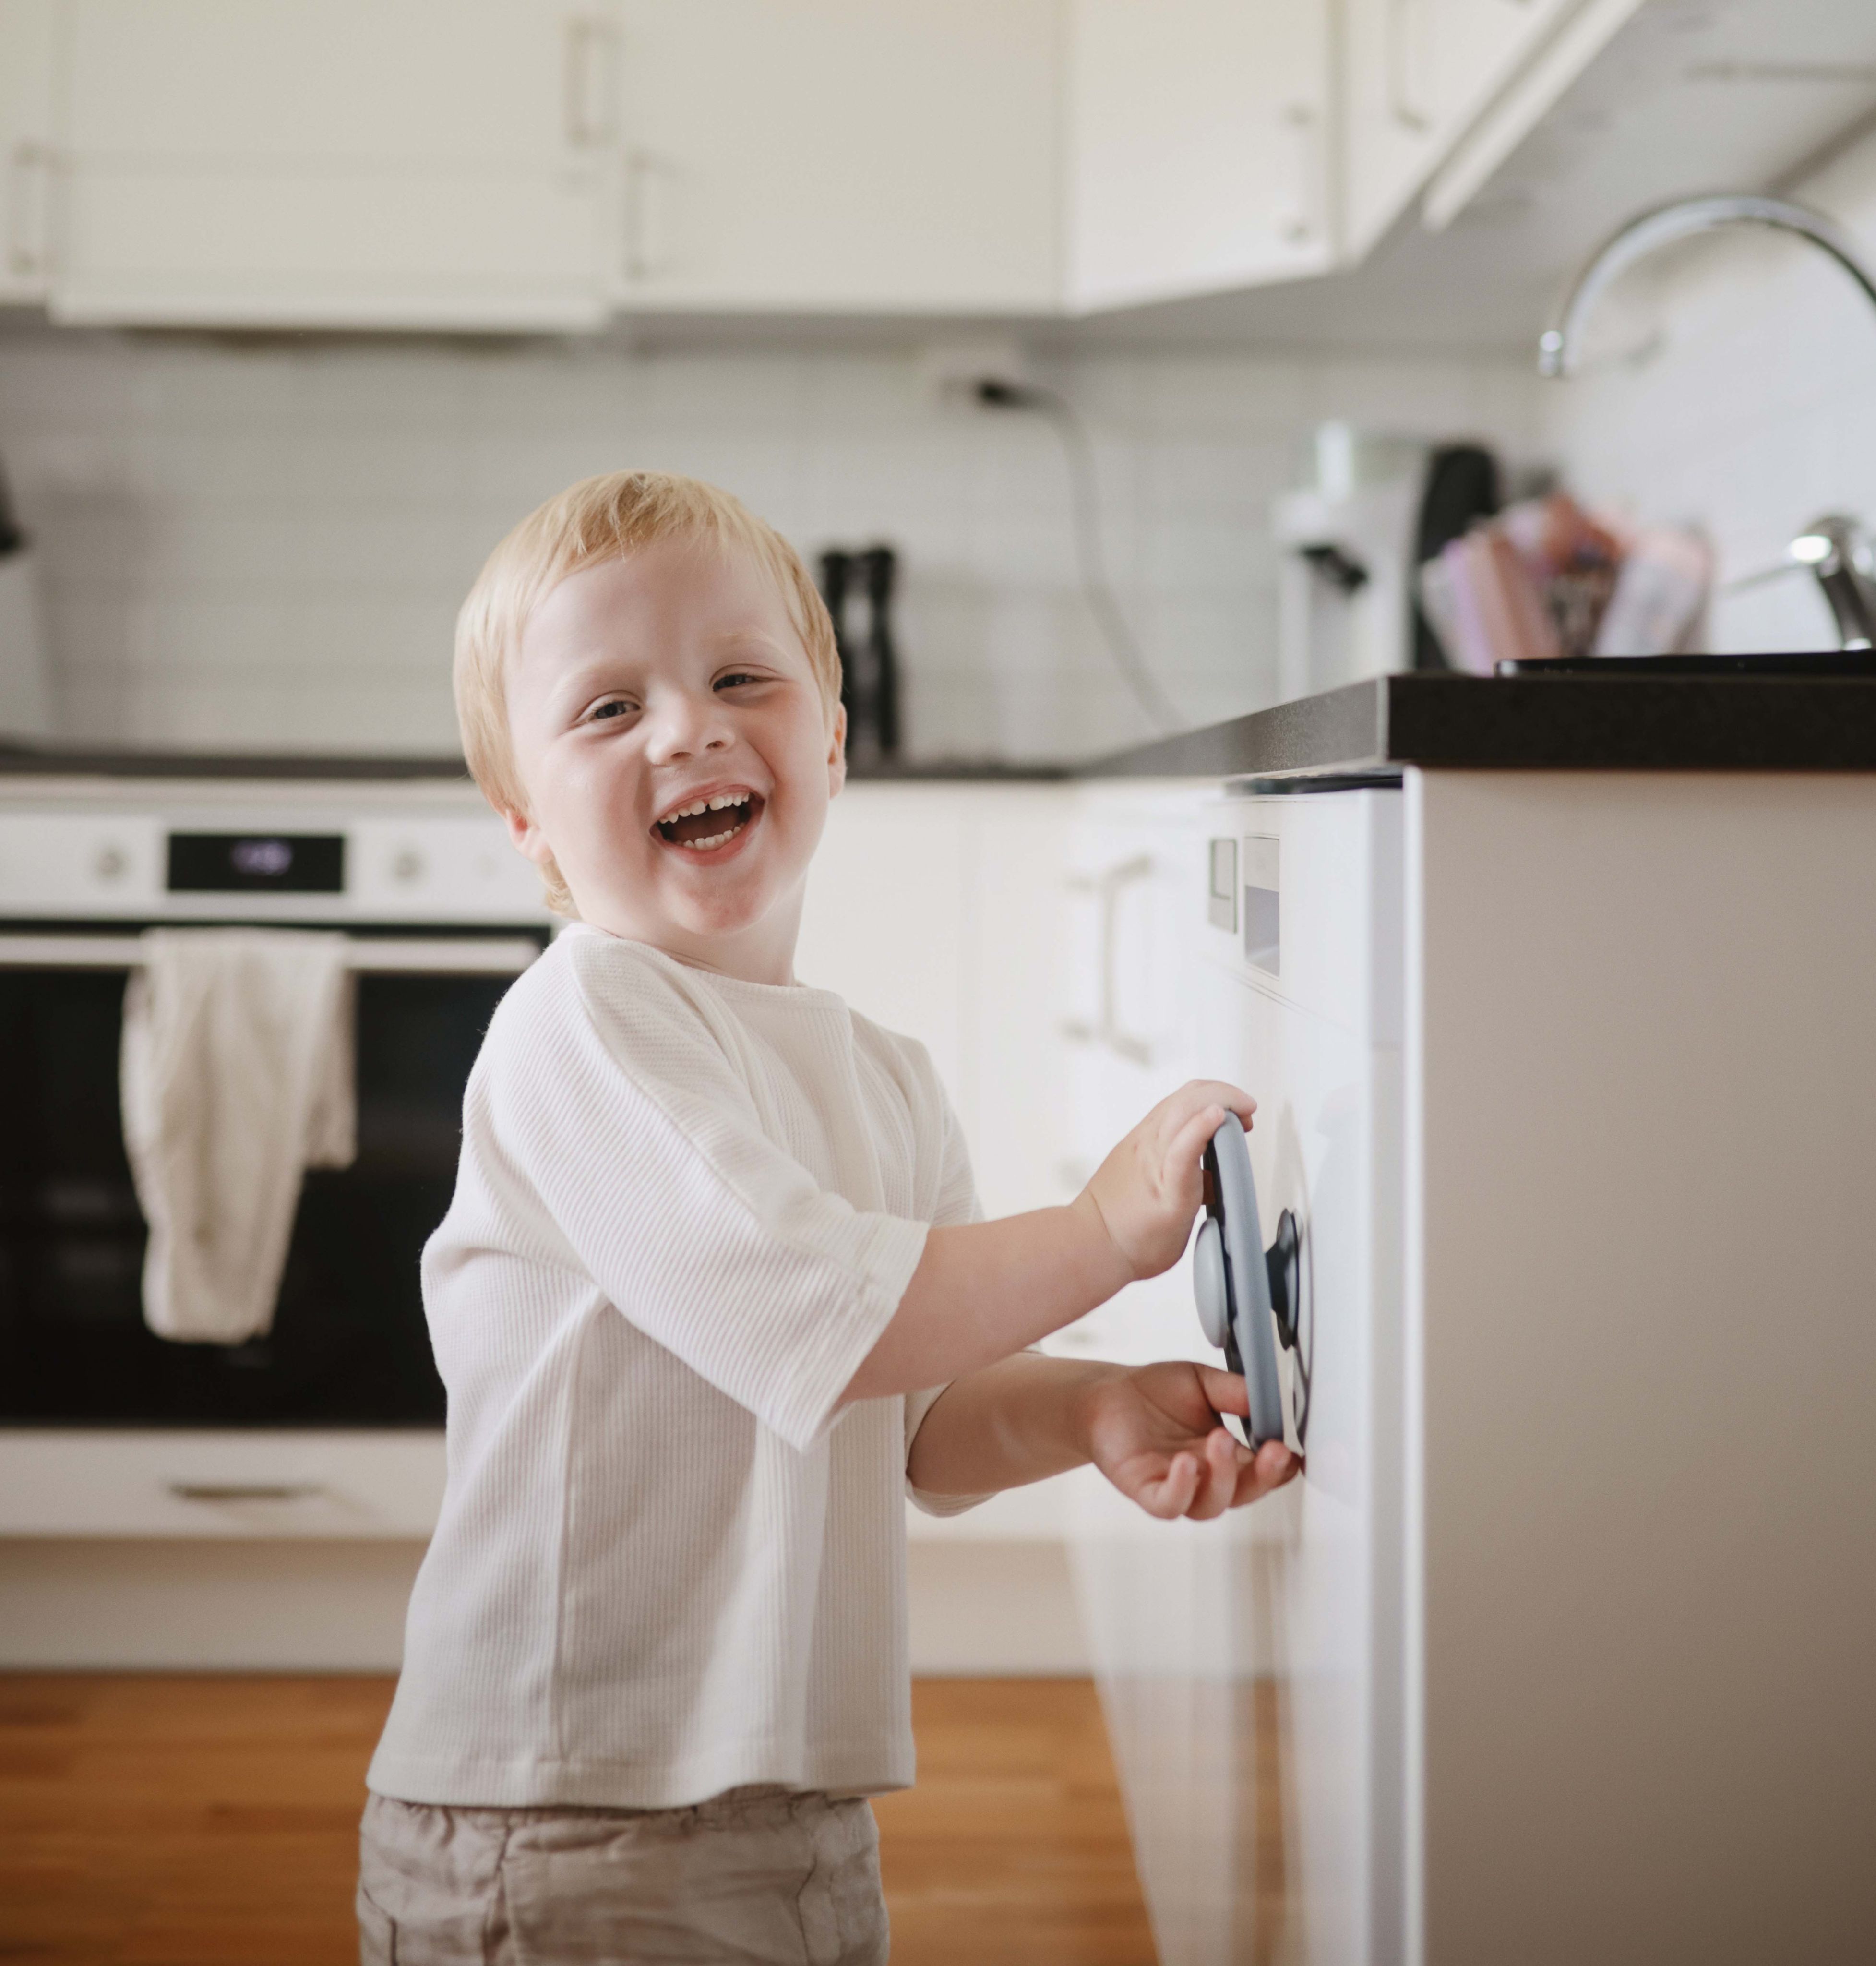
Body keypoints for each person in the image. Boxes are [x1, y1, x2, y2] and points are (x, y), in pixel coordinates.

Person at [358, 470, 1298, 1965]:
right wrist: (1109, 1225)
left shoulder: (883, 1077)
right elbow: (816, 1312)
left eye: (742, 677)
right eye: (609, 710)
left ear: (835, 739)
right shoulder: (581, 1024)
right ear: (527, 823)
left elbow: (915, 1415)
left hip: (793, 1809)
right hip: (562, 1820)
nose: (690, 727)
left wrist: (1090, 1409)